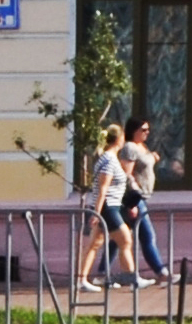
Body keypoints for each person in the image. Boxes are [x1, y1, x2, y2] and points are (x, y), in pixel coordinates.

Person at [72, 122, 137, 292]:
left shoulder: (110, 158)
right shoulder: (108, 160)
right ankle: (131, 279)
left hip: (110, 206)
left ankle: (81, 280)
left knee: (94, 243)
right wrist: (96, 212)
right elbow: (103, 188)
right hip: (108, 207)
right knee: (125, 239)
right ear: (119, 140)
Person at [119, 118, 171, 285]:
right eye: (144, 130)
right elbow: (127, 173)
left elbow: (144, 164)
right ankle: (162, 273)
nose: (147, 132)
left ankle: (102, 272)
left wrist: (153, 158)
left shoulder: (142, 147)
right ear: (134, 130)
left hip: (142, 197)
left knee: (118, 238)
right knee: (148, 235)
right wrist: (132, 201)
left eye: (148, 129)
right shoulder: (130, 147)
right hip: (135, 198)